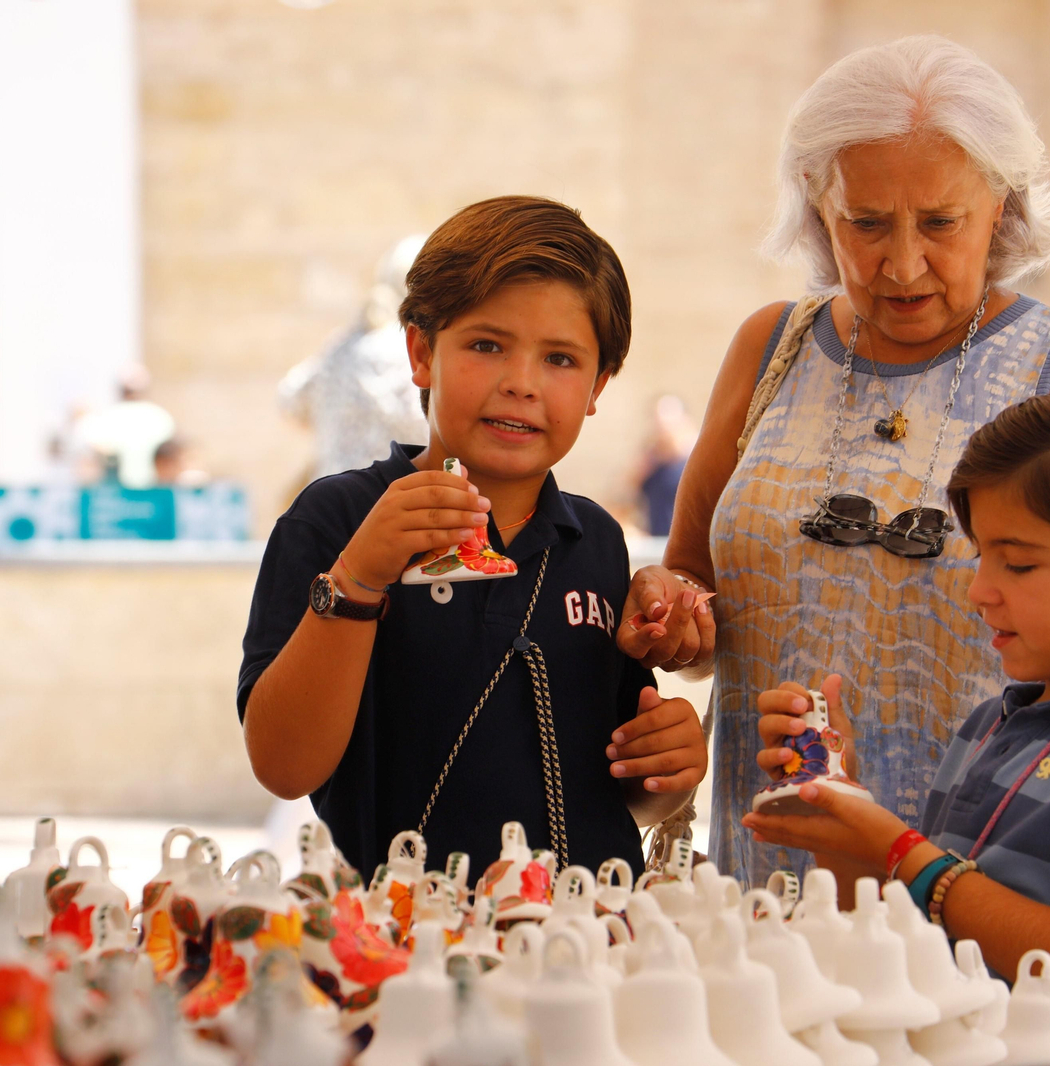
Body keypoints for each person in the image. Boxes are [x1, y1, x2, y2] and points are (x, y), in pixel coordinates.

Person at [612, 36, 1050, 885]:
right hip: (777, 870)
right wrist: (675, 613)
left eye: (941, 223)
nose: (901, 264)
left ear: (1002, 210)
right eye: (864, 223)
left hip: (1000, 882)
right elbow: (697, 585)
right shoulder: (770, 349)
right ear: (816, 204)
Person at [743, 376, 1050, 1066]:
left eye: (1021, 563)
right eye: (982, 556)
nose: (979, 590)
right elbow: (911, 934)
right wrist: (840, 809)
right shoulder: (994, 723)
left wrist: (896, 846)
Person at [238, 196, 706, 875]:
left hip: (587, 940)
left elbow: (623, 790)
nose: (521, 384)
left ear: (600, 384)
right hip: (407, 944)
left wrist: (669, 766)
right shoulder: (339, 521)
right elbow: (282, 766)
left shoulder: (596, 541)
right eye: (487, 346)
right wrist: (359, 579)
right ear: (421, 353)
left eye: (561, 359)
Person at [279, 235, 431, 481]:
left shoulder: (343, 344)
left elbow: (290, 400)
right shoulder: (414, 349)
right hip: (391, 502)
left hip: (332, 501)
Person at [634, 395, 695, 536]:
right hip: (656, 542)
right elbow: (627, 496)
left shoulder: (692, 462)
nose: (662, 428)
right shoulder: (651, 462)